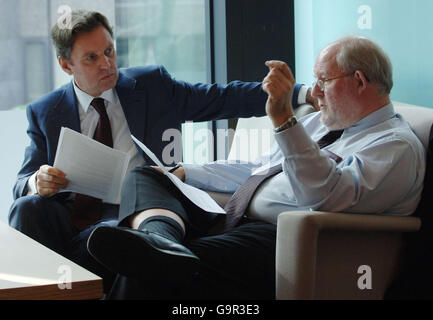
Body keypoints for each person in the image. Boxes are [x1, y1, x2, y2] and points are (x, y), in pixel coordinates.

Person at [86, 35, 426, 299]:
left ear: (359, 81)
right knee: (148, 175)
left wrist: (283, 119)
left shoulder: (394, 146)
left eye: (323, 80)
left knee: (149, 269)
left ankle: (159, 249)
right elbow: (258, 170)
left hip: (285, 239)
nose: (316, 92)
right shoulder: (321, 124)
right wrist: (187, 172)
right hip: (236, 217)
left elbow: (326, 196)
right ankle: (159, 240)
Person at [8, 9, 312, 291]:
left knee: (114, 239)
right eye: (91, 58)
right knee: (27, 208)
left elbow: (219, 98)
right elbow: (23, 181)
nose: (107, 64)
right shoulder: (46, 111)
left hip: (145, 214)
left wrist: (297, 94)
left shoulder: (151, 85)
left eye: (109, 51)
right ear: (65, 64)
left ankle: (91, 274)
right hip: (78, 222)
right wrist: (38, 181)